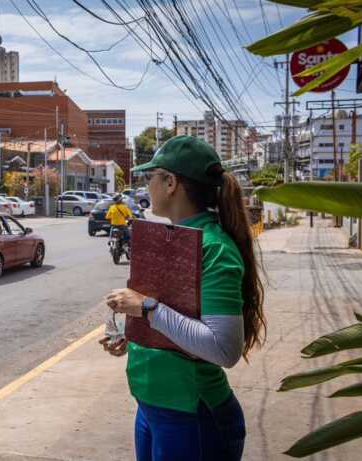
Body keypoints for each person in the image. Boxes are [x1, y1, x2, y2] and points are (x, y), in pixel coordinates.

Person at [104, 136, 265, 461]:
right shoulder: (174, 239)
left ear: (170, 183)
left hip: (195, 414)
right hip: (153, 406)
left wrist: (145, 308)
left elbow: (223, 349)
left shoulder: (214, 248)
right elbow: (177, 319)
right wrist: (134, 337)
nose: (146, 185)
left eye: (151, 177)